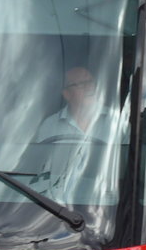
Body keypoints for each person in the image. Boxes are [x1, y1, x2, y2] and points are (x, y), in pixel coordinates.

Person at [31, 66, 120, 203]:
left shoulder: (117, 123)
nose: (89, 87)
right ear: (66, 94)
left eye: (90, 82)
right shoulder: (49, 126)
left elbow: (126, 172)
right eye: (80, 84)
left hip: (105, 207)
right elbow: (41, 174)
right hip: (56, 209)